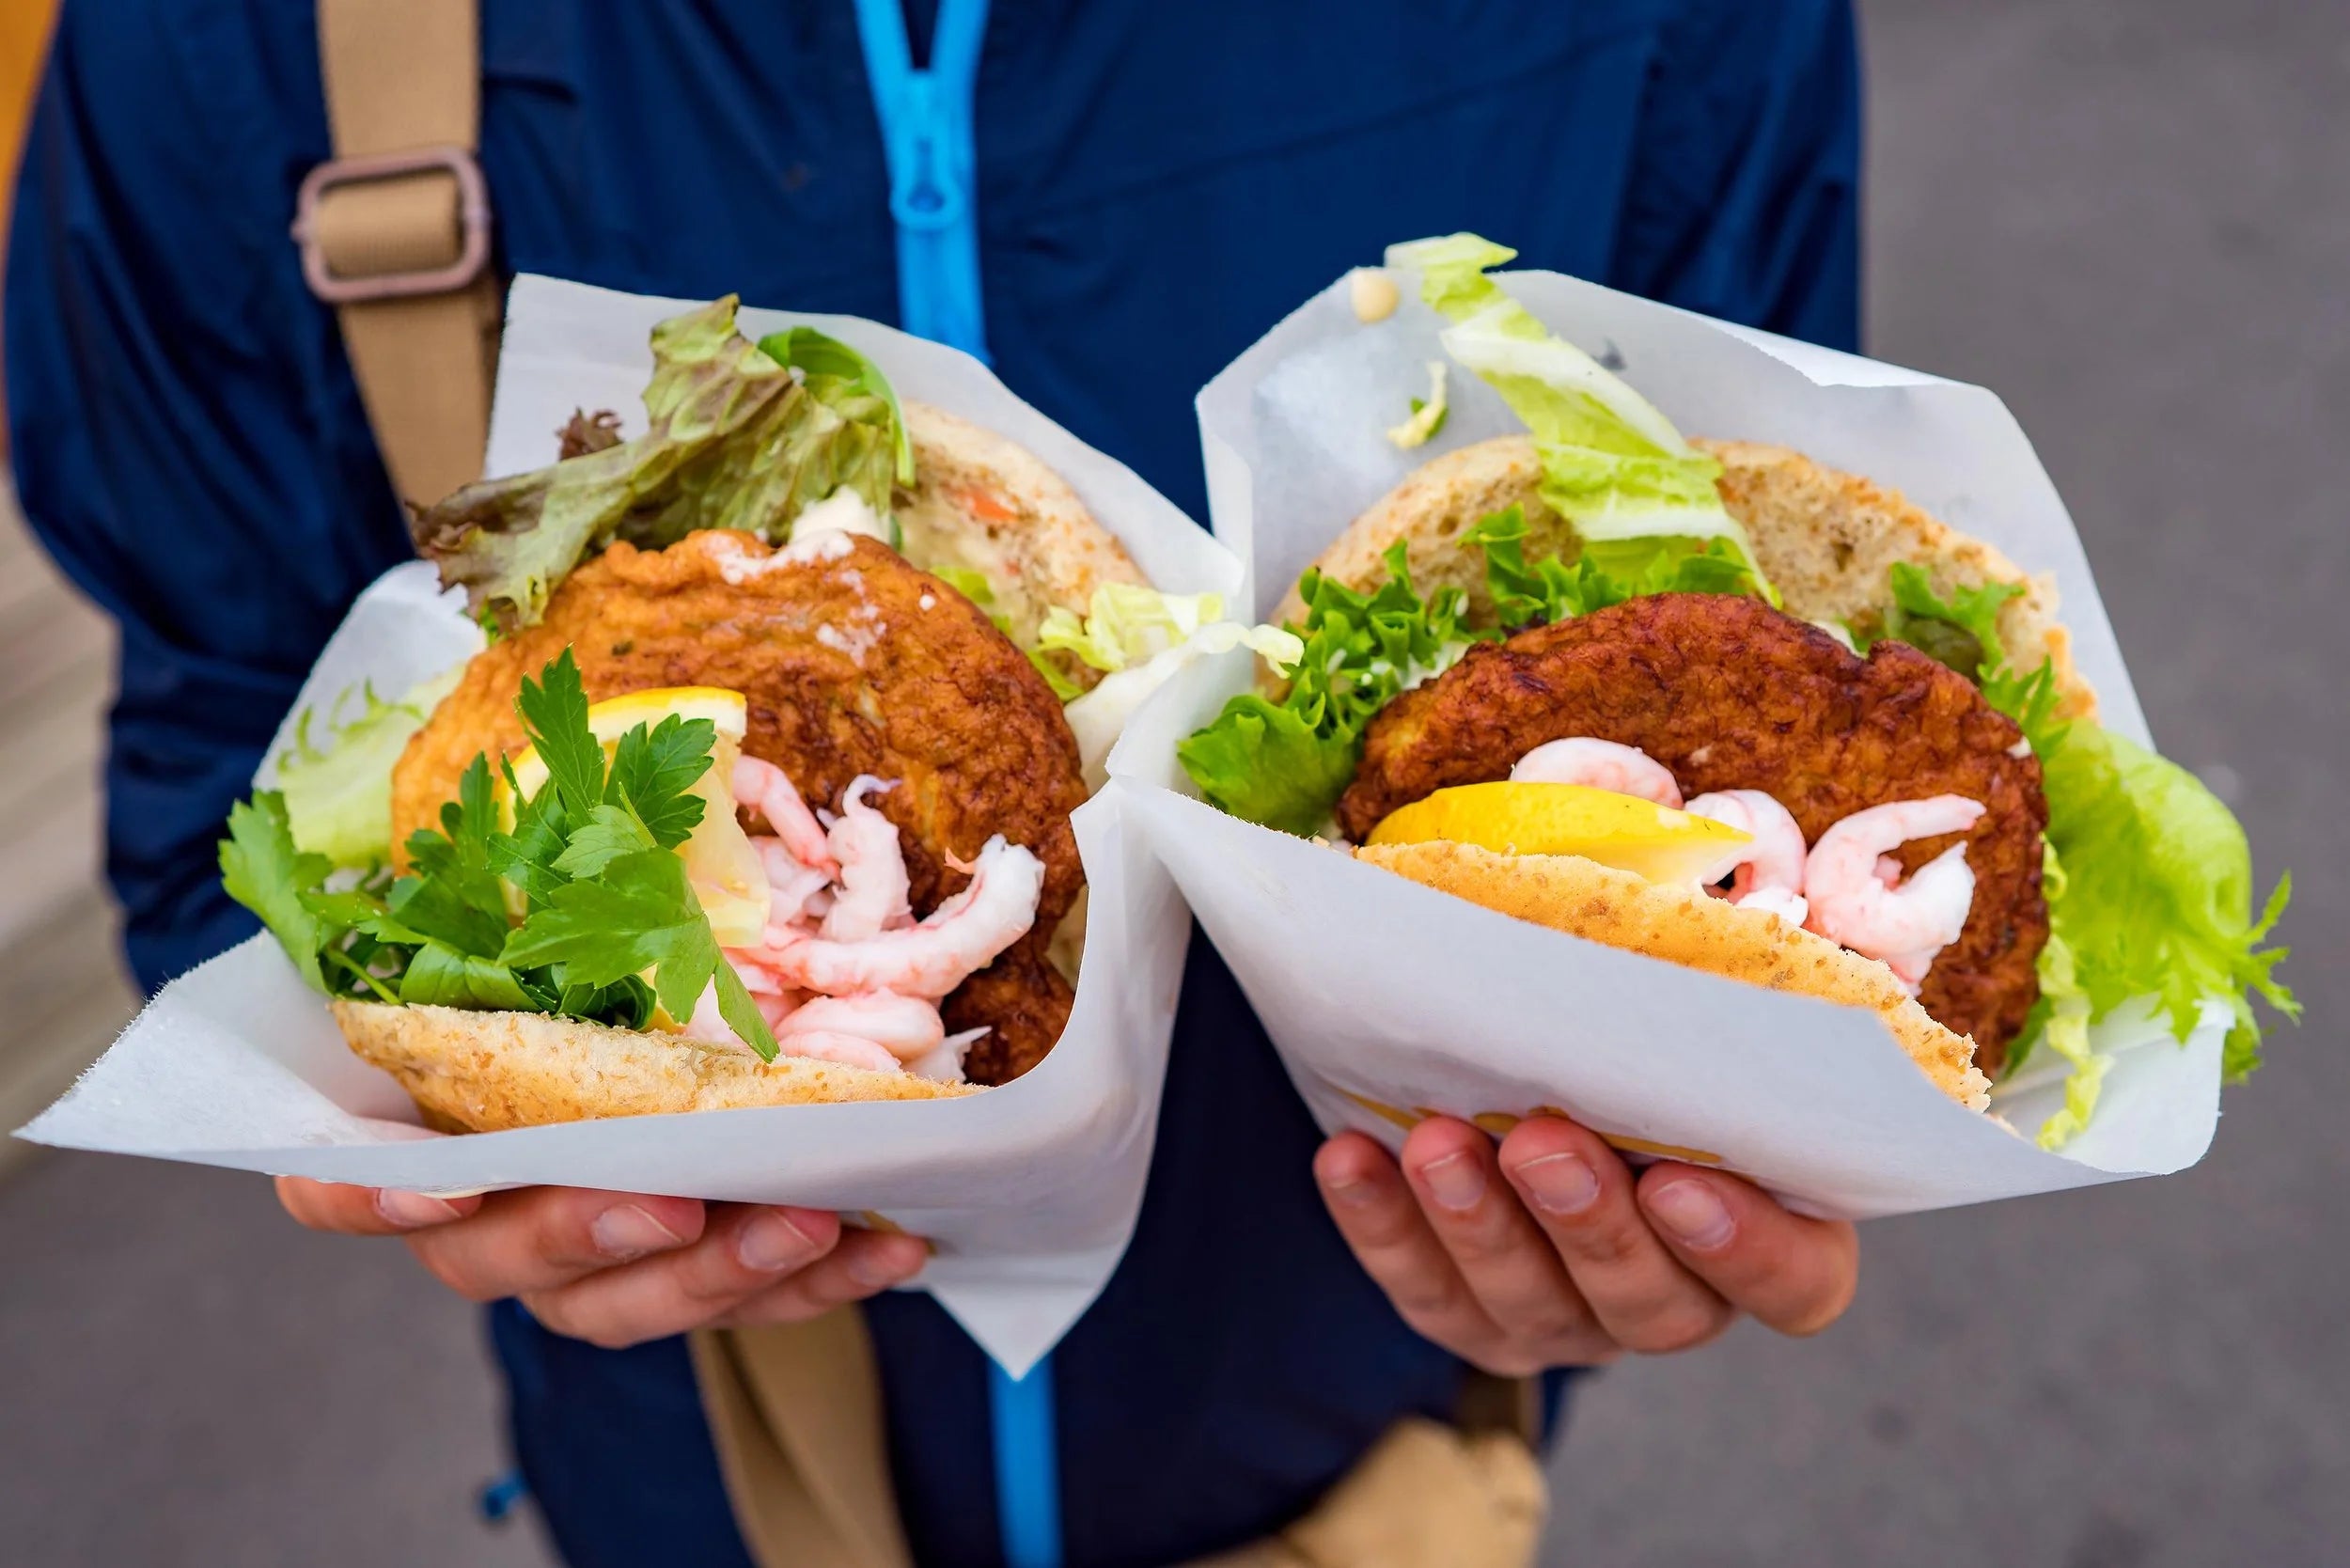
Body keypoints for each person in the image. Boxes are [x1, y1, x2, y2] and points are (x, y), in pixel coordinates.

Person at [7, 2, 1864, 1563]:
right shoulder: (231, 41)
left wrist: (1708, 1136)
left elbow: (1767, 640)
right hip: (691, 1483)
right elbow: (222, 788)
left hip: (1373, 1460)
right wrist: (402, 1127)